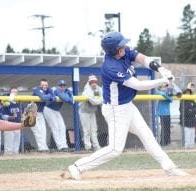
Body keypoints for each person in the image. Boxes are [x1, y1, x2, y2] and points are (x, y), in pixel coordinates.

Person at [68, 31, 188, 180]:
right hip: (115, 109)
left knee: (147, 135)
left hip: (127, 105)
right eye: (121, 45)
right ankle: (78, 167)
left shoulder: (123, 53)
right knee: (115, 149)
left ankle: (169, 166)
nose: (124, 47)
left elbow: (143, 59)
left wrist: (160, 69)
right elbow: (137, 85)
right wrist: (161, 81)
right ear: (114, 49)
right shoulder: (110, 67)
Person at [43, 80, 74, 152]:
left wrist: (68, 94)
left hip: (56, 110)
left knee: (62, 127)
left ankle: (64, 146)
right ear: (58, 86)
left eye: (64, 86)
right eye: (61, 86)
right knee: (55, 128)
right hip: (49, 109)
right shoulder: (56, 90)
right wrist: (68, 94)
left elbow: (72, 101)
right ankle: (60, 146)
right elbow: (66, 99)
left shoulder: (66, 91)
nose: (62, 87)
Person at [79, 75, 102, 151]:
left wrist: (99, 100)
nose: (94, 84)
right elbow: (94, 102)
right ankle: (88, 147)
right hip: (84, 112)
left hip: (92, 112)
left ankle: (96, 146)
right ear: (89, 83)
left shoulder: (98, 89)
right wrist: (99, 100)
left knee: (94, 129)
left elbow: (101, 98)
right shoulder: (86, 90)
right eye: (92, 82)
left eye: (95, 82)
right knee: (87, 130)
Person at [32, 79, 56, 152]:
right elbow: (44, 98)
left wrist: (50, 95)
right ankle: (41, 148)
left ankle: (44, 148)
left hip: (40, 112)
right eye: (43, 85)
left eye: (46, 85)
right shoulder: (37, 89)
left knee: (43, 131)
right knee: (38, 131)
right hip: (31, 112)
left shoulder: (48, 90)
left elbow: (54, 98)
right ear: (40, 85)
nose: (44, 86)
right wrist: (49, 95)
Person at [2, 87, 21, 155]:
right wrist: (11, 117)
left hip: (17, 125)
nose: (14, 93)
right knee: (8, 143)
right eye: (12, 92)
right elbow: (3, 116)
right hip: (9, 124)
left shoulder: (18, 102)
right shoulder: (7, 102)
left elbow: (20, 114)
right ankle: (7, 156)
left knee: (16, 143)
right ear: (10, 93)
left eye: (16, 92)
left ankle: (15, 156)